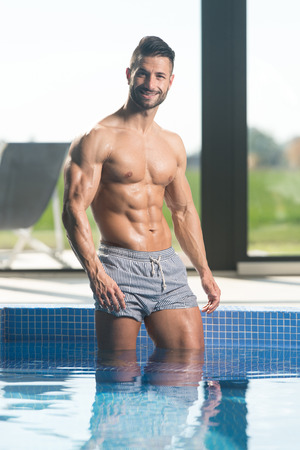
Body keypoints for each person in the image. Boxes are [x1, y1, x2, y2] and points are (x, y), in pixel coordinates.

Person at [62, 36, 221, 351]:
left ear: (170, 81)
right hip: (120, 269)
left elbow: (183, 211)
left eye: (160, 76)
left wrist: (204, 270)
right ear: (128, 74)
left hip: (168, 268)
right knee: (117, 382)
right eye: (143, 73)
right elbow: (73, 209)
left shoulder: (172, 143)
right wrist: (96, 272)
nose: (151, 82)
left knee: (188, 367)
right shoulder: (97, 138)